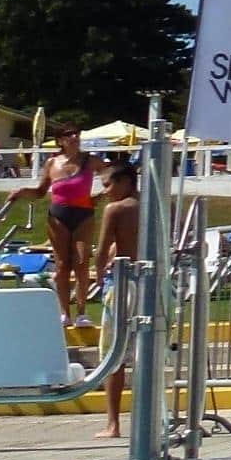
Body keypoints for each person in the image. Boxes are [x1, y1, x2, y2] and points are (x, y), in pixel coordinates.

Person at [8, 124, 98, 326]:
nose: (75, 137)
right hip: (58, 215)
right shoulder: (52, 163)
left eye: (77, 134)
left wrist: (101, 195)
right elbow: (40, 192)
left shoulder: (89, 160)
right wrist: (22, 191)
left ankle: (82, 312)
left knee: (82, 262)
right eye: (69, 135)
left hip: (84, 213)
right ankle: (65, 312)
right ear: (60, 140)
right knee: (62, 265)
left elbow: (113, 176)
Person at [90, 155, 139, 439]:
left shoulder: (115, 209)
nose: (105, 191)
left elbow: (102, 250)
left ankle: (113, 423)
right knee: (147, 353)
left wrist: (97, 276)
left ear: (123, 182)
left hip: (123, 284)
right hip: (153, 283)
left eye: (107, 184)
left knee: (113, 355)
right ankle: (152, 419)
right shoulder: (158, 205)